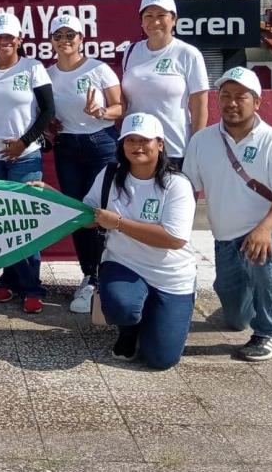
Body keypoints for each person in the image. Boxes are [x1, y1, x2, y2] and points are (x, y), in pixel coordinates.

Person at [183, 66, 272, 362]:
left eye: (240, 96)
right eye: (225, 96)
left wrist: (264, 230)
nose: (231, 103)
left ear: (257, 102)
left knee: (260, 254)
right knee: (236, 318)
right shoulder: (202, 141)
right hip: (226, 238)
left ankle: (269, 333)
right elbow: (187, 188)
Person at [86, 112, 197, 370]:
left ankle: (155, 314)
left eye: (144, 140)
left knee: (161, 360)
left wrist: (118, 223)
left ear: (160, 144)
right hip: (123, 263)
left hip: (171, 275)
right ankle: (128, 330)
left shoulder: (177, 184)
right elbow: (88, 214)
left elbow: (174, 239)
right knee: (122, 305)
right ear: (122, 144)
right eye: (130, 140)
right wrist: (51, 197)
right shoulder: (110, 174)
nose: (137, 146)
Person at [0, 12, 54, 313]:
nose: (4, 42)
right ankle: (7, 281)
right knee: (0, 222)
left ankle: (32, 288)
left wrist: (23, 142)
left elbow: (47, 111)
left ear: (19, 39)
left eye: (9, 37)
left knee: (24, 220)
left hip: (25, 155)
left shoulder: (33, 68)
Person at [46, 13, 123, 313]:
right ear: (51, 41)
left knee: (103, 211)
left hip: (101, 142)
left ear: (82, 38)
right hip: (67, 146)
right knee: (78, 212)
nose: (65, 41)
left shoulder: (99, 69)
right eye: (59, 35)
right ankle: (89, 275)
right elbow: (44, 113)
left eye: (71, 35)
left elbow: (120, 107)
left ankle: (109, 274)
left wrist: (102, 112)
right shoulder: (48, 74)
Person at [120, 0, 208, 167]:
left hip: (174, 148)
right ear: (142, 20)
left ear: (173, 19)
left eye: (162, 15)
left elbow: (200, 106)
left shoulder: (188, 54)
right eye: (148, 16)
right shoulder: (130, 52)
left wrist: (197, 146)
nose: (155, 22)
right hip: (138, 149)